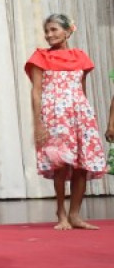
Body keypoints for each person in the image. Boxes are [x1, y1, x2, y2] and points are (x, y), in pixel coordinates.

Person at [25, 13, 107, 230]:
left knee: (81, 164)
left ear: (69, 31)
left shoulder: (80, 56)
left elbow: (82, 88)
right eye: (47, 30)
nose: (49, 34)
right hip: (55, 115)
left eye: (54, 30)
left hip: (80, 113)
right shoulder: (40, 56)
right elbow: (36, 92)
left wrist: (87, 117)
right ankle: (61, 213)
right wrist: (38, 124)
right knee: (60, 163)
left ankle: (75, 215)